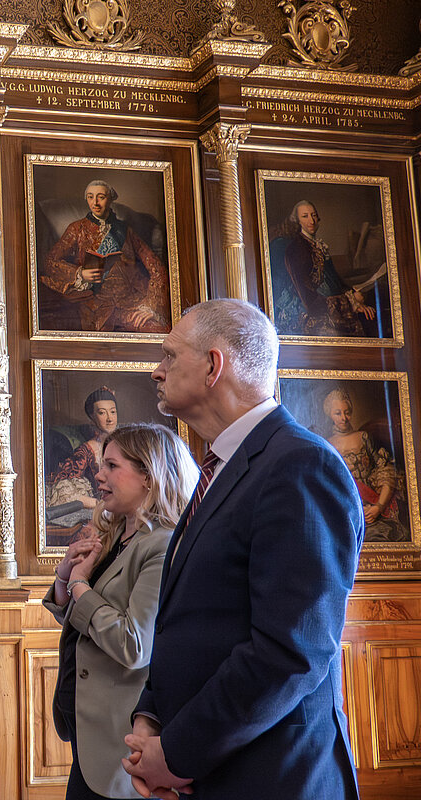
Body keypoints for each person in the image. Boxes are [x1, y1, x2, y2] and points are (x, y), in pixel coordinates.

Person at [124, 298, 363, 799]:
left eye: (169, 356)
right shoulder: (220, 468)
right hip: (215, 770)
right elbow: (189, 623)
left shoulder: (300, 466)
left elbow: (289, 650)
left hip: (271, 774)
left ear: (213, 365)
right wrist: (151, 719)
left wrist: (178, 754)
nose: (156, 370)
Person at [44, 423, 197, 800]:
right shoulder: (115, 534)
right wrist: (66, 579)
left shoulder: (161, 545)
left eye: (111, 465)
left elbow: (133, 645)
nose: (98, 475)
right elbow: (87, 623)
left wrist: (80, 587)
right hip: (87, 727)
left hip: (122, 738)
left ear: (149, 475)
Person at [39, 180, 171, 334]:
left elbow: (157, 267)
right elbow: (50, 261)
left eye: (100, 197)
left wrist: (151, 306)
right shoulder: (76, 229)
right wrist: (79, 273)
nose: (95, 202)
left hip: (132, 301)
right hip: (95, 303)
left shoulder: (125, 230)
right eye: (90, 197)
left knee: (159, 330)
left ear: (110, 199)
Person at [274, 200, 374, 337]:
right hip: (312, 309)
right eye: (305, 216)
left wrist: (354, 299)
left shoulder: (318, 245)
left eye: (313, 215)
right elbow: (306, 295)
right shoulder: (296, 248)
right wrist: (348, 303)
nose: (311, 220)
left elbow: (335, 280)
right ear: (297, 221)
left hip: (330, 303)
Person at [323, 387, 407, 543]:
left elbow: (386, 470)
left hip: (375, 506)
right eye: (338, 413)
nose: (344, 418)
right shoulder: (326, 445)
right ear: (330, 415)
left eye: (347, 412)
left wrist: (379, 507)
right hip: (347, 512)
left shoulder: (363, 437)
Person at [46, 387, 120, 526]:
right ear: (92, 417)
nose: (110, 419)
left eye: (113, 412)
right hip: (103, 515)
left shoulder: (127, 445)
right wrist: (98, 503)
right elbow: (62, 489)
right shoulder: (87, 450)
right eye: (102, 413)